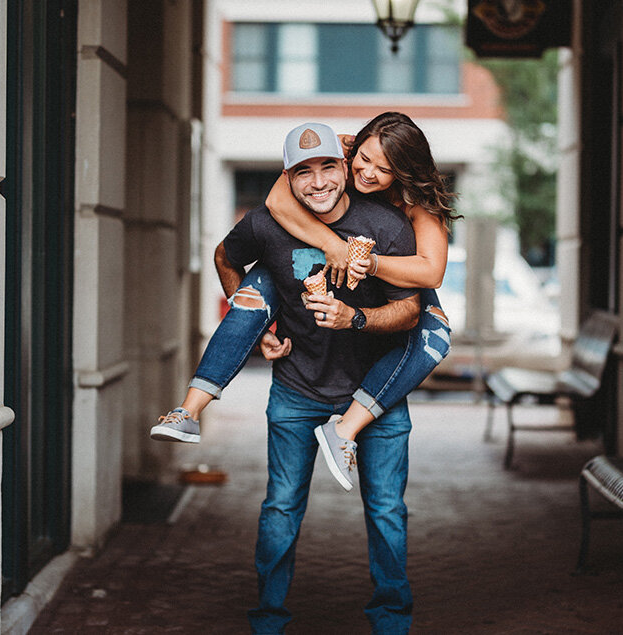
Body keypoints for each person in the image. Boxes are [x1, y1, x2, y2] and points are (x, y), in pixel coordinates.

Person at [151, 112, 457, 492]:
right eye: (364, 160)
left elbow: (431, 274)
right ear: (352, 151)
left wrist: (368, 262)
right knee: (251, 293)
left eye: (386, 168)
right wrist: (333, 246)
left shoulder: (413, 205)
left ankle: (346, 428)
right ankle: (188, 411)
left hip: (393, 274)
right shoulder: (340, 151)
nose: (368, 173)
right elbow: (278, 197)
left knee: (436, 334)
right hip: (315, 270)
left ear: (405, 171)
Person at [217, 122, 419, 633]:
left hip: (375, 395)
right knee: (282, 506)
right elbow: (226, 256)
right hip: (296, 389)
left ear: (345, 168)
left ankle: (391, 620)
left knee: (388, 511)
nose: (319, 181)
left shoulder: (388, 226)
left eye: (328, 166)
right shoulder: (266, 223)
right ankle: (268, 619)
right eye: (302, 172)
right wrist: (257, 322)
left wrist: (356, 318)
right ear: (288, 178)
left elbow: (411, 310)